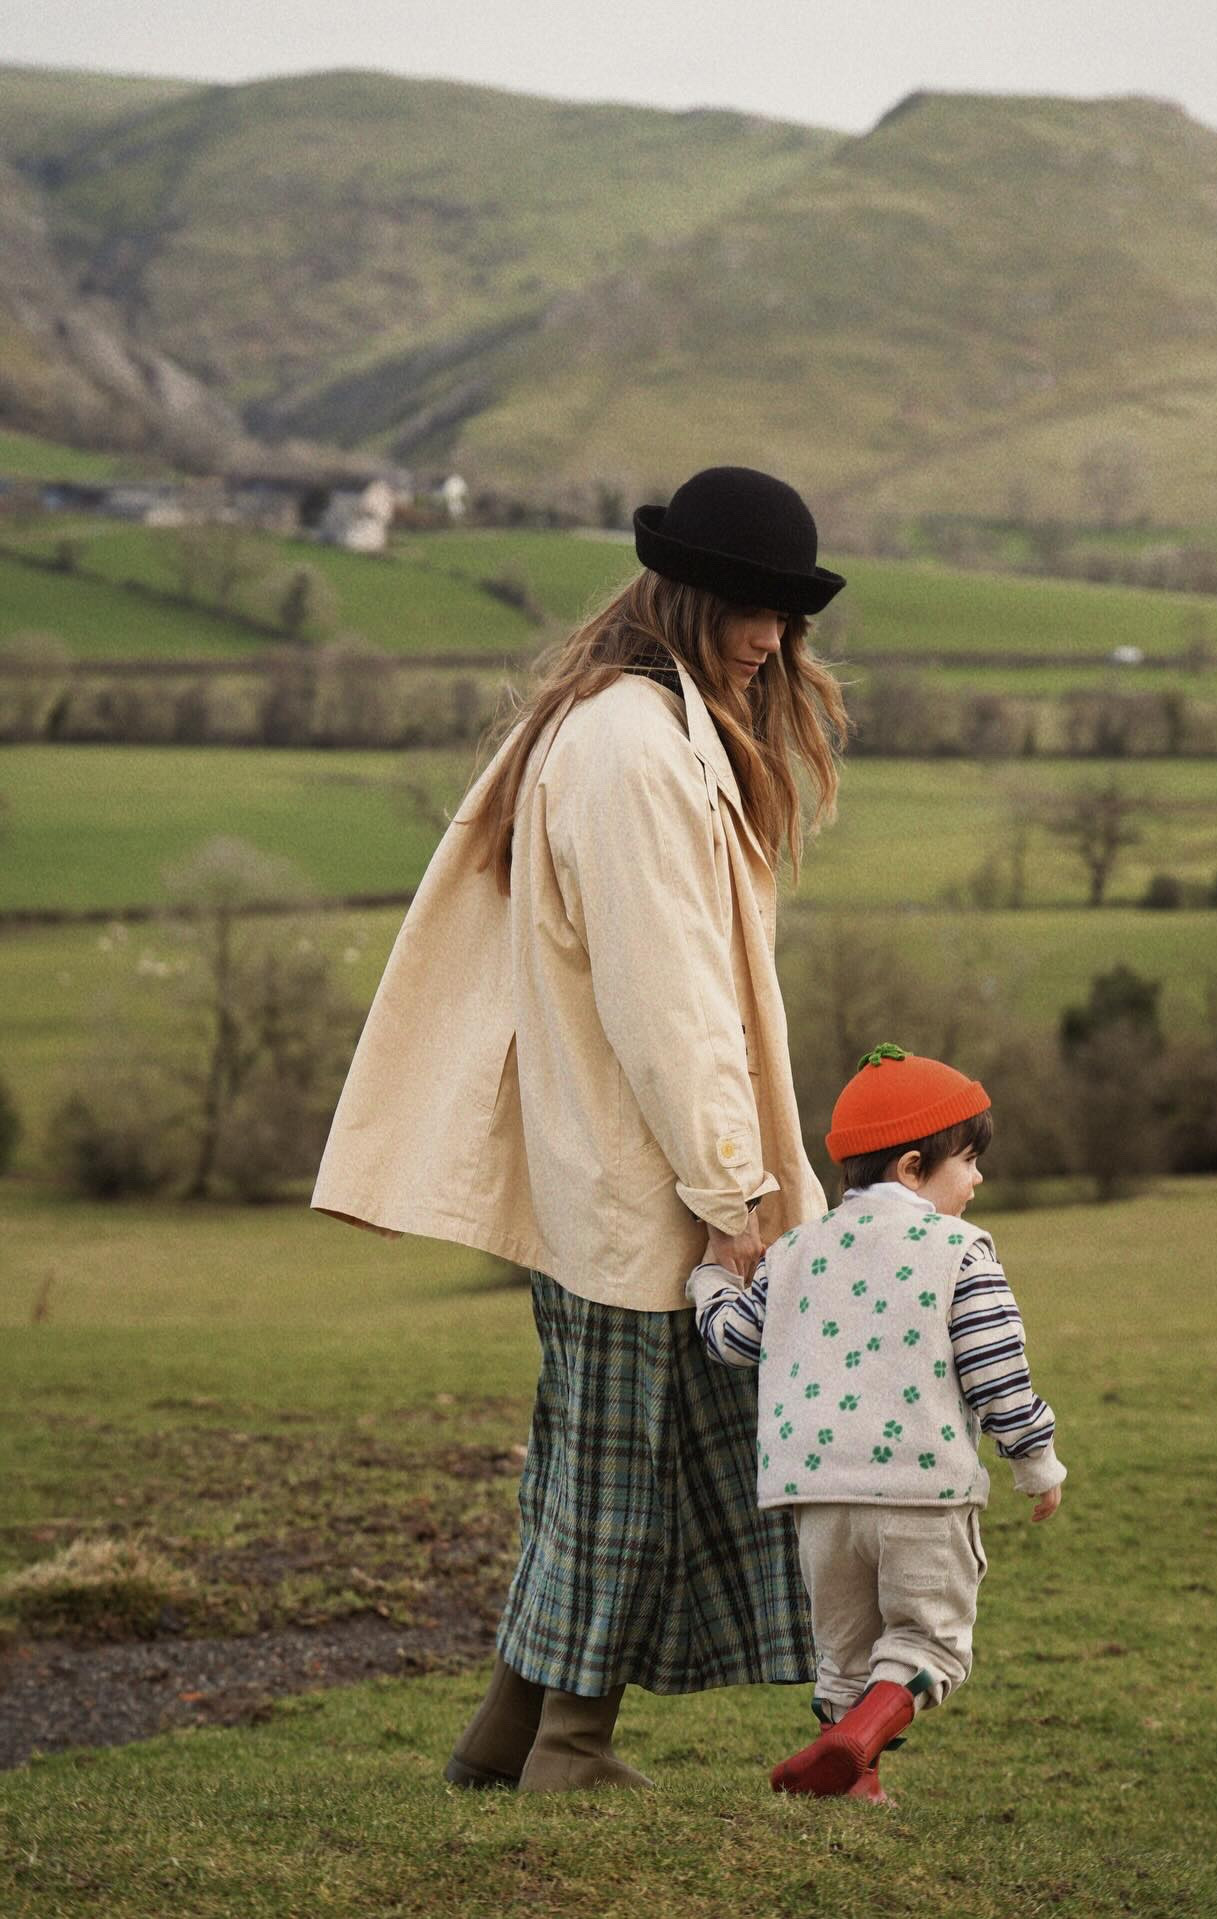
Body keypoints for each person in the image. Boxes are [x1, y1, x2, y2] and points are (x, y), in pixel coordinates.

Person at [311, 465, 849, 1790]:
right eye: (746, 605)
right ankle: (570, 1747)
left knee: (591, 1463)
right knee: (619, 1480)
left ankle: (504, 1737)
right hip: (644, 1182)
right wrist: (733, 1189)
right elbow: (668, 1003)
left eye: (784, 614)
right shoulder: (633, 751)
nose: (768, 638)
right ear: (681, 591)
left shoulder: (628, 727)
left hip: (617, 1172)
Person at [686, 1043, 1066, 1803]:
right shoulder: (961, 1252)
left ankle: (855, 1782)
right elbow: (996, 1367)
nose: (978, 1178)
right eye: (968, 1162)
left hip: (817, 1495)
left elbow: (733, 1340)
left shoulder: (795, 1251)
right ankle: (859, 1741)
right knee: (930, 1643)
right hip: (921, 1490)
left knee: (845, 1654)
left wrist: (708, 1280)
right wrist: (1036, 1461)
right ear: (914, 1167)